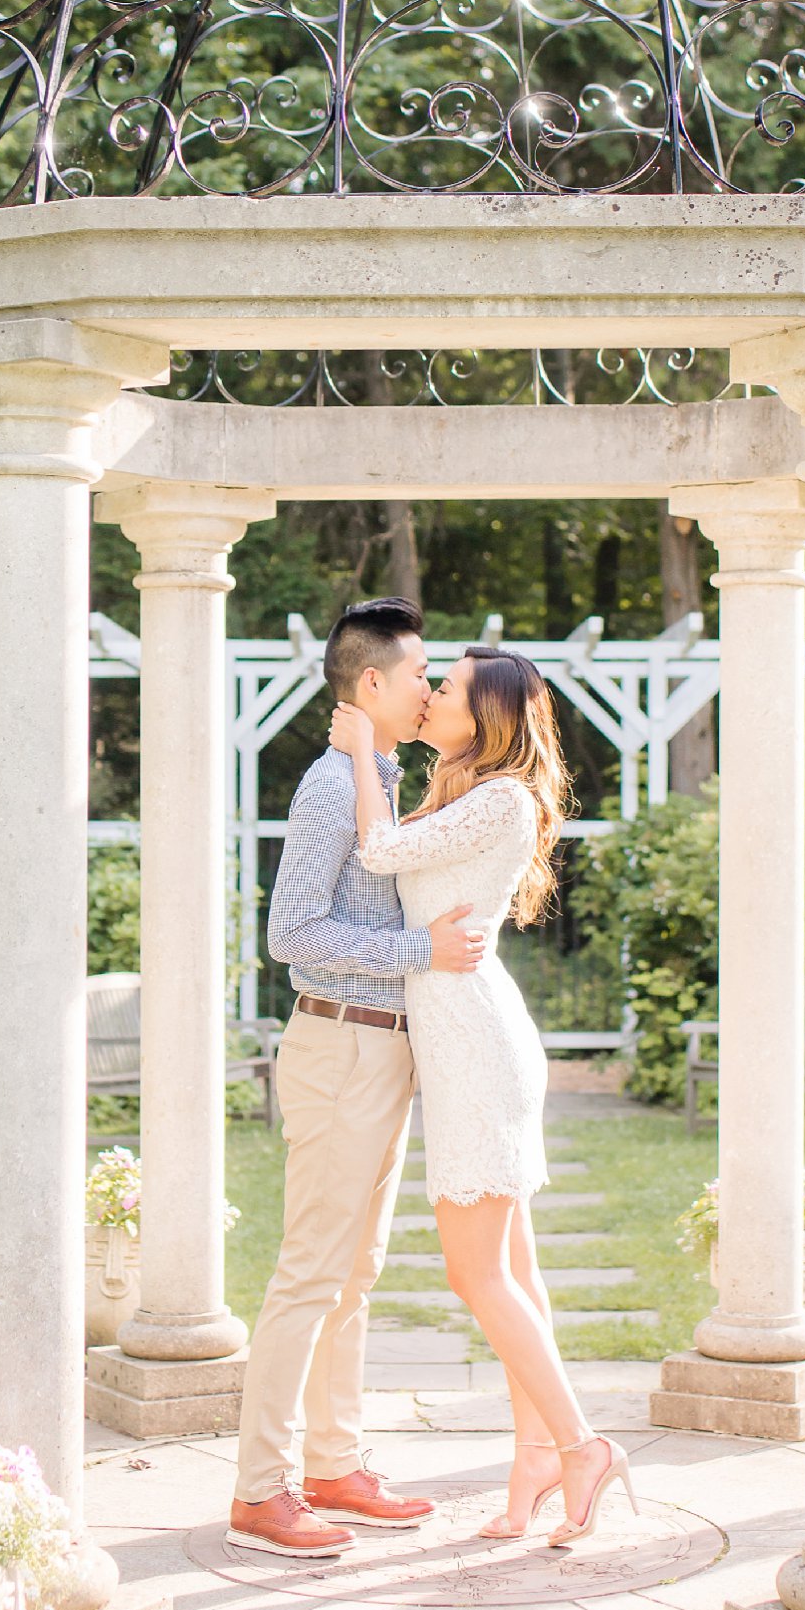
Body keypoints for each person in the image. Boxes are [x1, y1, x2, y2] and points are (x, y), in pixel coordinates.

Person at [330, 648, 638, 1547]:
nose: (430, 697)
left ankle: (582, 1447)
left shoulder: (501, 798)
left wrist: (359, 750)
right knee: (520, 1273)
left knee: (476, 1273)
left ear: (489, 716)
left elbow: (380, 852)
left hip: (476, 1046)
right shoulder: (462, 786)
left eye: (448, 690)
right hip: (468, 1031)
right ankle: (534, 1460)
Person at [229, 598, 489, 1559]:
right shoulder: (331, 788)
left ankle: (334, 1465)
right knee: (310, 1272)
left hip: (381, 1051)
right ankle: (262, 1490)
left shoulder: (373, 773)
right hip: (339, 1046)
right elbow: (289, 934)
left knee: (356, 1272)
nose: (429, 687)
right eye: (419, 672)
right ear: (371, 683)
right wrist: (420, 950)